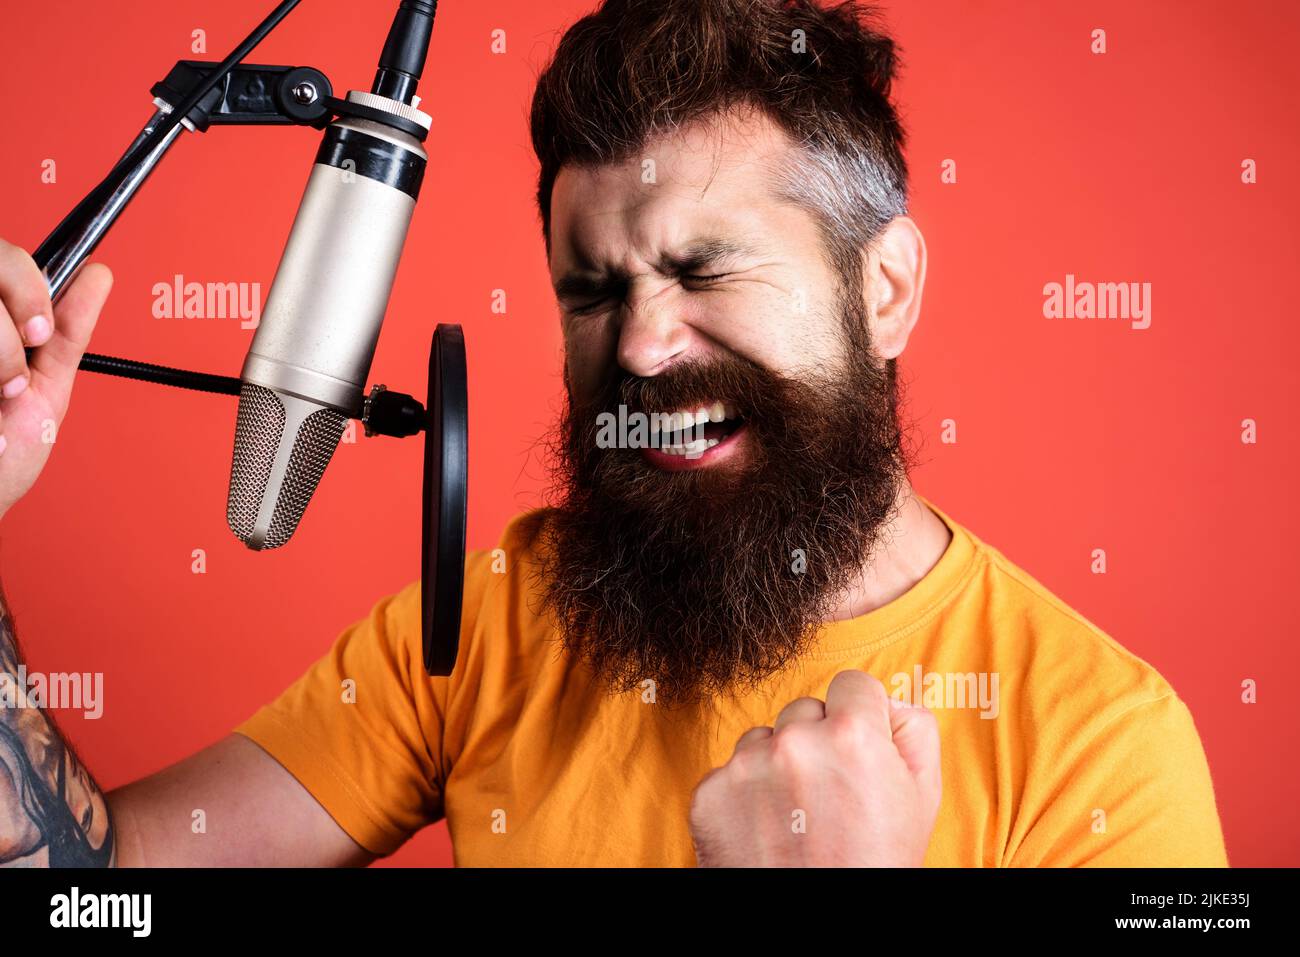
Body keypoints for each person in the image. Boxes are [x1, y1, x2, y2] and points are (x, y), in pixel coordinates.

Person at [0, 0, 1227, 868]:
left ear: (886, 290)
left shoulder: (1102, 750)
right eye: (591, 293)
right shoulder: (496, 620)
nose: (640, 348)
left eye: (704, 269)